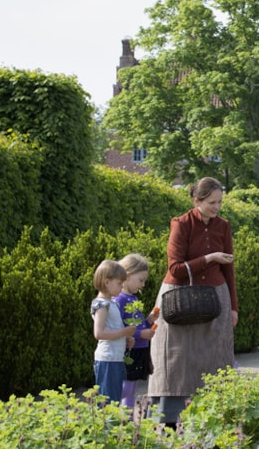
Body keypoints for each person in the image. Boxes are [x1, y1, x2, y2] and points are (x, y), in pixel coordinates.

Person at [148, 177, 237, 428]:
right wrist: (209, 258)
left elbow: (229, 269)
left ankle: (215, 417)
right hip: (179, 300)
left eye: (220, 202)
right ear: (196, 200)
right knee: (175, 360)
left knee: (215, 359)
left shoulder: (224, 226)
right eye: (211, 202)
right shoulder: (182, 224)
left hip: (215, 299)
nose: (217, 207)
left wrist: (233, 307)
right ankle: (169, 421)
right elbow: (174, 268)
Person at [113, 253, 160, 411]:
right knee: (125, 388)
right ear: (128, 275)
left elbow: (135, 325)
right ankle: (107, 409)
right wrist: (141, 334)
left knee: (131, 388)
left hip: (139, 350)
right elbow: (118, 329)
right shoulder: (120, 299)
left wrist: (148, 321)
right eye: (141, 280)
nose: (143, 284)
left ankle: (128, 419)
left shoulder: (132, 299)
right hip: (130, 350)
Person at [91, 259, 138, 405]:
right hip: (107, 359)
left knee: (114, 400)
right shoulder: (102, 304)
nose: (121, 287)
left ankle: (110, 426)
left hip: (115, 358)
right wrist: (124, 332)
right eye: (119, 283)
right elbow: (99, 333)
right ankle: (103, 427)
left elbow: (111, 329)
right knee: (107, 402)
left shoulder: (112, 303)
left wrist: (125, 339)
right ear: (106, 282)